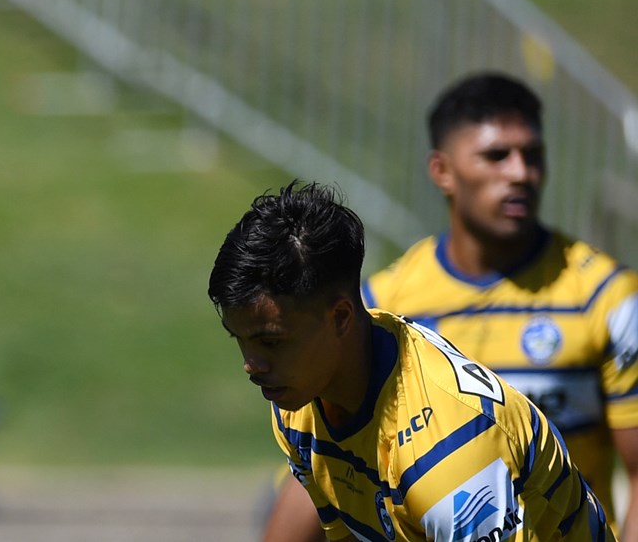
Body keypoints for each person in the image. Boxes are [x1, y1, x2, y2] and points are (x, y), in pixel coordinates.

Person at [262, 72, 638, 541]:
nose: (520, 173)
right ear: (442, 171)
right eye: (497, 156)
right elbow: (326, 465)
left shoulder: (608, 298)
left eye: (533, 155)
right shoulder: (380, 304)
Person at [210, 181, 614, 540]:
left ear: (341, 318)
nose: (252, 365)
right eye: (239, 339)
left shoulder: (453, 457)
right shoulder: (295, 400)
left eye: (270, 341)